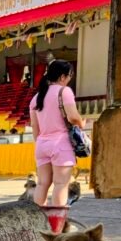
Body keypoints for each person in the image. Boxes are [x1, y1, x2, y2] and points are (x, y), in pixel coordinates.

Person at [29, 59, 84, 207]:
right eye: (69, 76)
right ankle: (56, 223)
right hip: (60, 144)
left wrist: (40, 143)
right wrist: (81, 122)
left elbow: (35, 125)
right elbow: (72, 116)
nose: (69, 80)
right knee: (60, 184)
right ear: (62, 77)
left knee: (42, 184)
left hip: (42, 144)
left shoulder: (36, 98)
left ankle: (37, 221)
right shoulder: (64, 92)